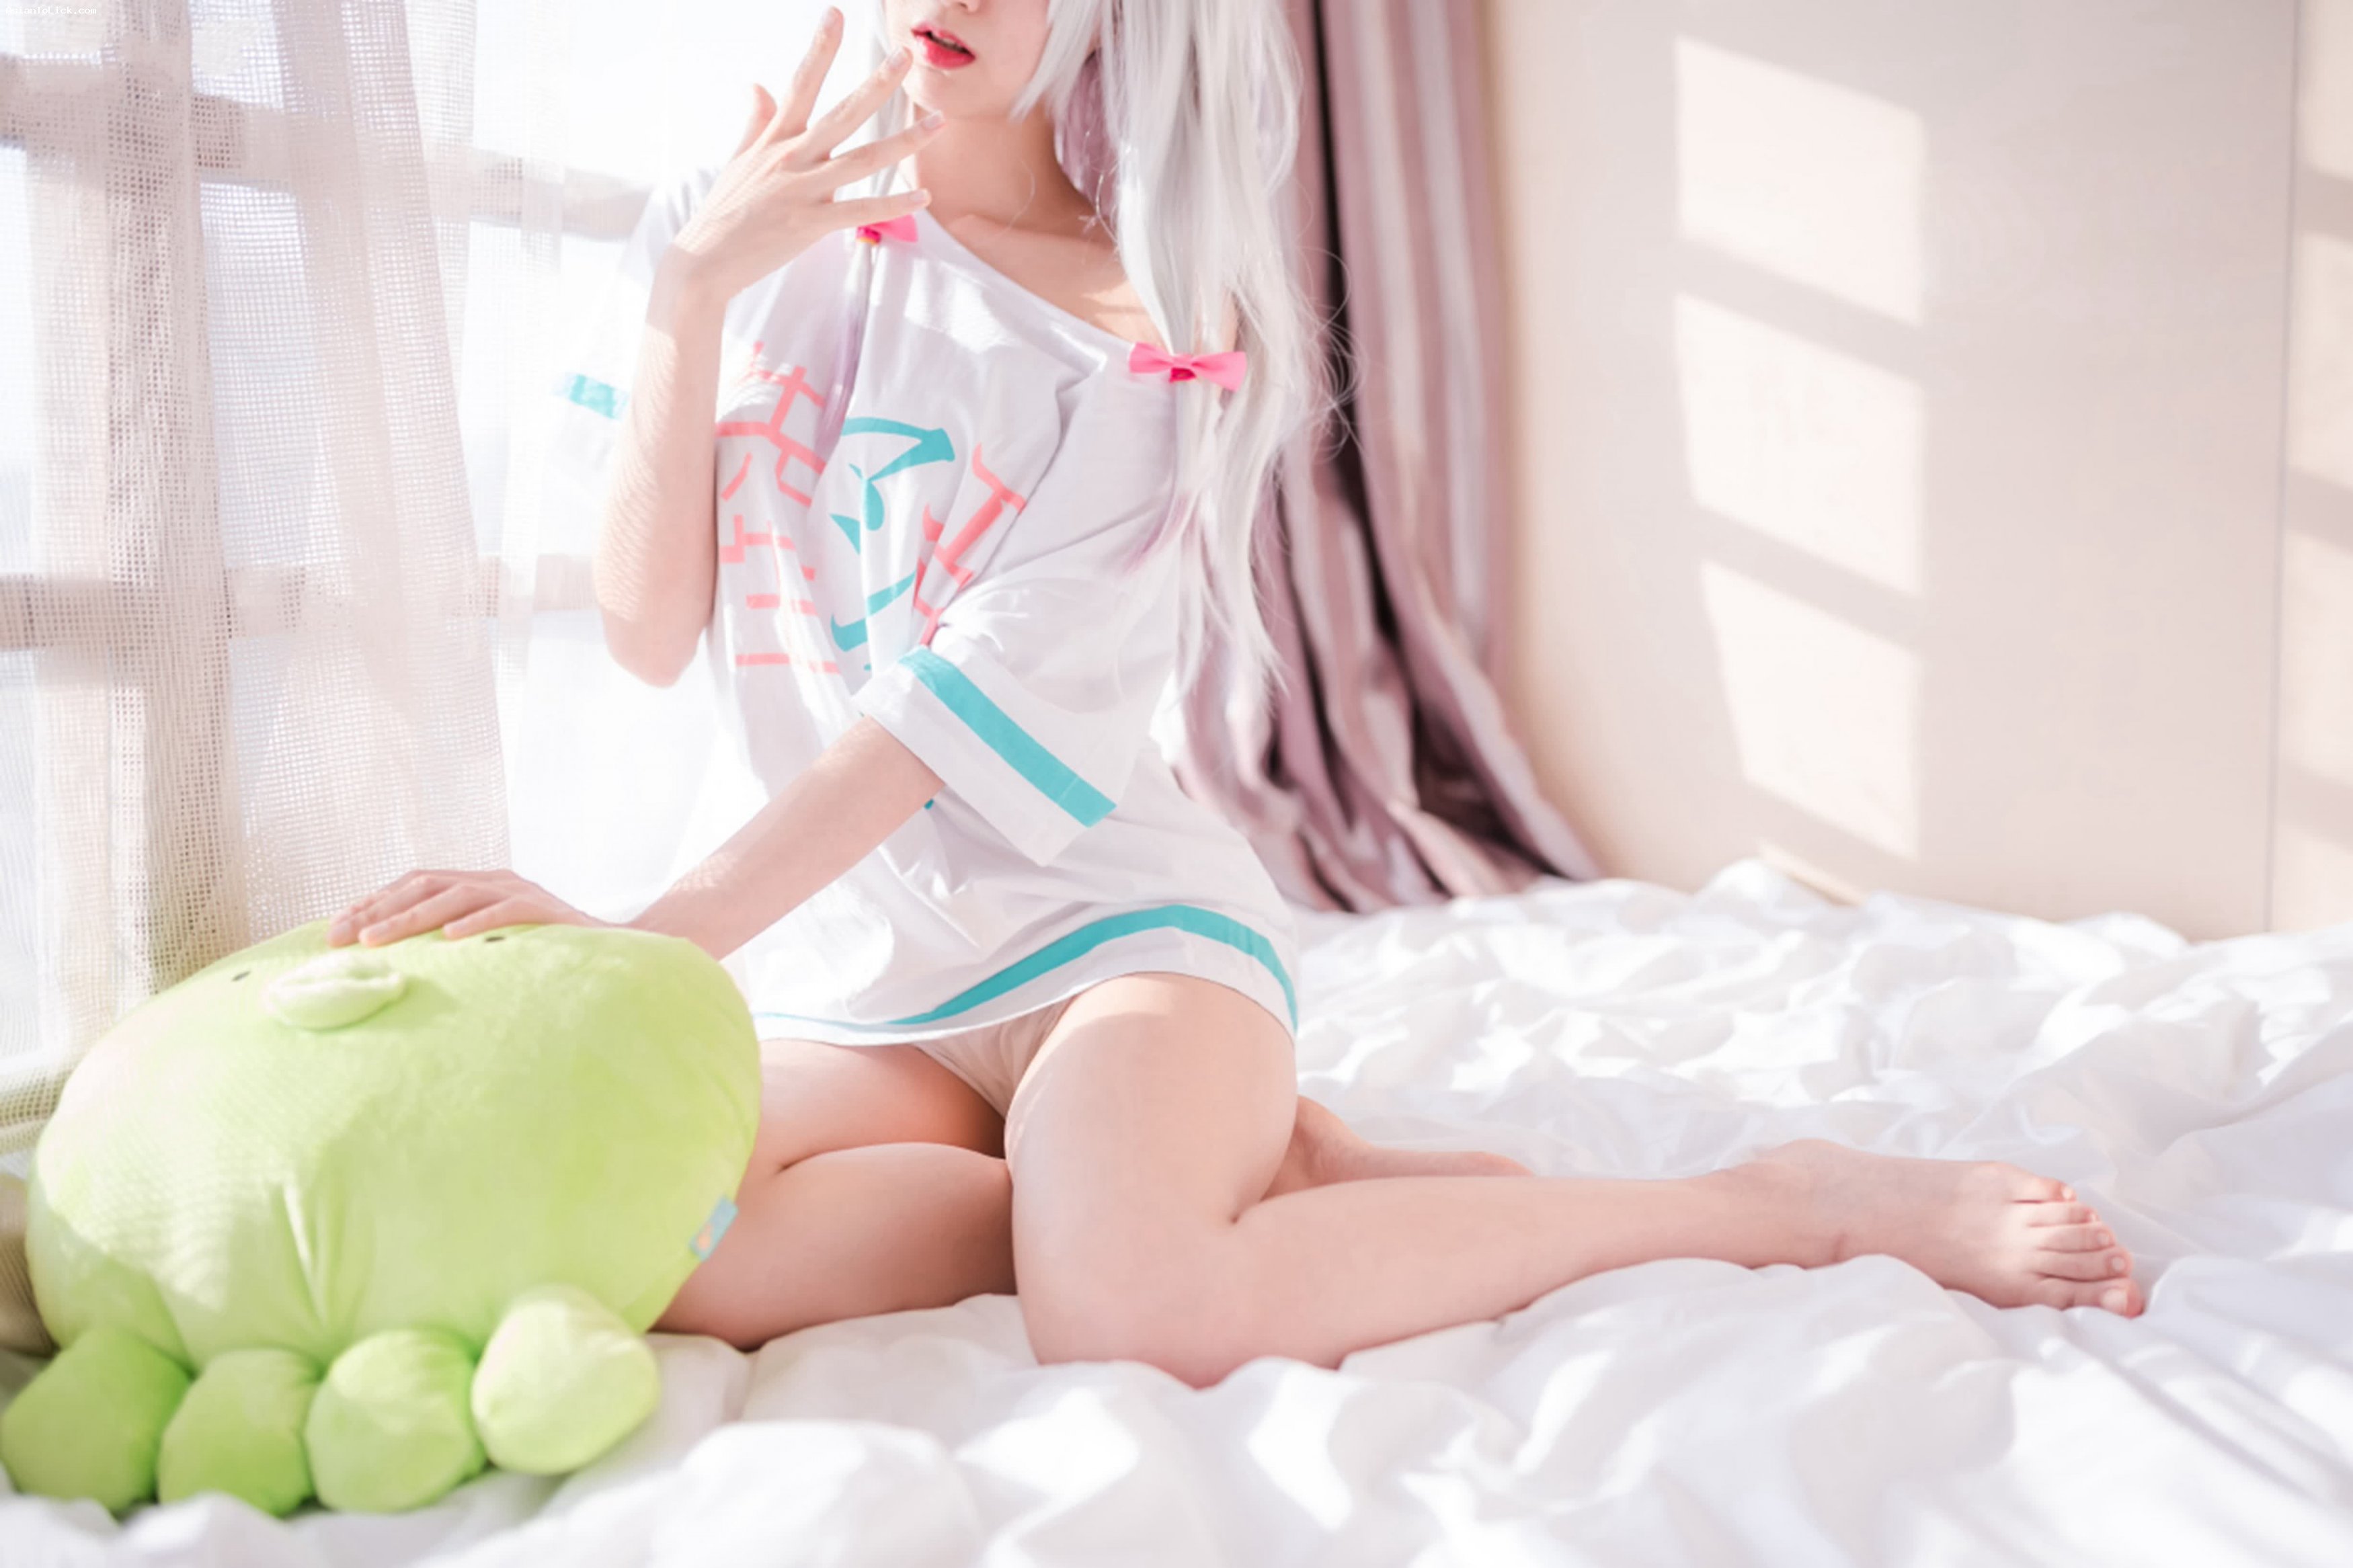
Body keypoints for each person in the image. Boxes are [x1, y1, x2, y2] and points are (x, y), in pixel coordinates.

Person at [333, 0, 2143, 1387]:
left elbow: (922, 739)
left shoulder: (1148, 336)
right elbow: (647, 630)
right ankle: (1232, 1171)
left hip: (1110, 945)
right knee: (673, 1247)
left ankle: (1769, 1205)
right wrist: (688, 295)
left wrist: (648, 944)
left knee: (1134, 1313)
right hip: (863, 990)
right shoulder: (732, 237)